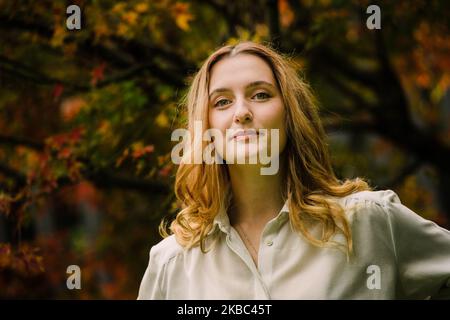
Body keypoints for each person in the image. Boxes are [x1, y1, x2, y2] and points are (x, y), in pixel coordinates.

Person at [137, 41, 450, 299]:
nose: (242, 113)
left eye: (260, 95)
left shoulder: (368, 223)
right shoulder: (172, 264)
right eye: (221, 102)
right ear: (204, 127)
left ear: (290, 116)